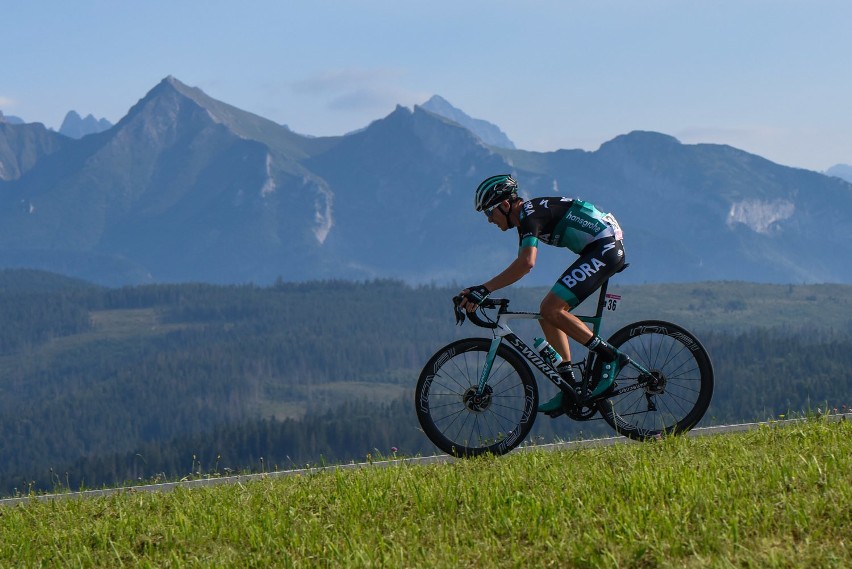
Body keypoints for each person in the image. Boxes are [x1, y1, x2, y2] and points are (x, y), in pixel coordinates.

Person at [458, 174, 629, 416]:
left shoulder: (530, 215)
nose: (489, 220)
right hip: (599, 248)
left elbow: (526, 263)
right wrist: (481, 289)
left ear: (505, 205)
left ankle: (610, 356)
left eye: (489, 213)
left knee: (551, 309)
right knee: (546, 314)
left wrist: (484, 289)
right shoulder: (525, 218)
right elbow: (522, 263)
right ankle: (569, 385)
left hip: (605, 247)